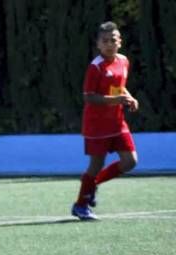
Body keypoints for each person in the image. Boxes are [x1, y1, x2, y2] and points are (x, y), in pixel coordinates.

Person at [72, 21, 138, 221]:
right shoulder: (96, 67)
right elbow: (89, 97)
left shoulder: (123, 61)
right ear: (98, 44)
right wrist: (115, 100)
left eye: (113, 40)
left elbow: (119, 86)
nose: (109, 44)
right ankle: (80, 205)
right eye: (105, 41)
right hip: (96, 124)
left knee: (130, 161)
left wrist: (130, 97)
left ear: (120, 42)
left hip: (117, 122)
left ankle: (92, 185)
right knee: (96, 165)